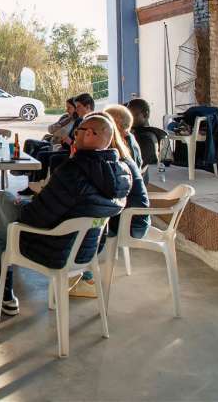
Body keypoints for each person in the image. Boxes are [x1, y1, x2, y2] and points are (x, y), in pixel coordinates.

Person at [0, 114, 132, 316]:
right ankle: (1, 264)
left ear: (88, 133)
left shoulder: (73, 171)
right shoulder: (121, 173)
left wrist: (24, 204)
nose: (74, 135)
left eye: (77, 131)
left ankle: (5, 293)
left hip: (54, 249)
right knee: (2, 222)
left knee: (1, 211)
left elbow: (34, 218)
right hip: (87, 250)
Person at [67, 109, 150, 298]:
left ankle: (84, 278)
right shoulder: (116, 154)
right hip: (130, 216)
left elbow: (97, 198)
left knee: (82, 222)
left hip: (131, 222)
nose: (77, 136)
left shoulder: (111, 161)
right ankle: (77, 273)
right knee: (80, 217)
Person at [26, 93, 95, 188]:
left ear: (87, 107)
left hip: (78, 153)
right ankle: (36, 185)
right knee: (42, 153)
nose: (76, 109)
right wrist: (66, 141)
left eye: (78, 106)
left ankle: (51, 188)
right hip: (67, 148)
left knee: (52, 157)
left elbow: (82, 144)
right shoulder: (77, 120)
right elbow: (53, 130)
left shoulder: (91, 122)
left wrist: (70, 142)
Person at [126, 98, 161, 171]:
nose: (129, 119)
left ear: (145, 114)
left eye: (133, 115)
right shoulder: (140, 133)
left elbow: (138, 166)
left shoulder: (146, 137)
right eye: (128, 115)